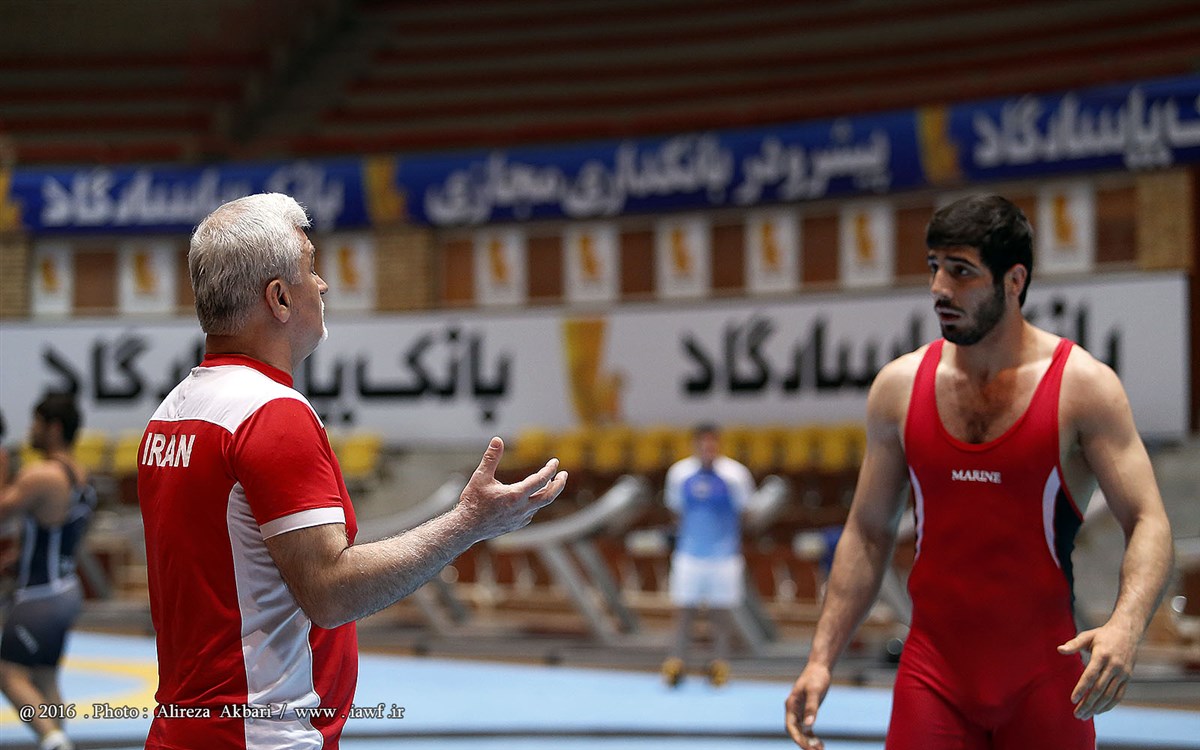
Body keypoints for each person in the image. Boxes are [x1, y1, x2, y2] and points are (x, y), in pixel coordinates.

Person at [138, 193, 567, 750]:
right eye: (310, 267)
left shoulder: (171, 413)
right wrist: (467, 524)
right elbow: (330, 593)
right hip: (262, 735)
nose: (322, 285)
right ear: (279, 298)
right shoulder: (270, 414)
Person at [785, 194, 1175, 749]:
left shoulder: (1082, 387)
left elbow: (1148, 521)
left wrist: (1126, 625)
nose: (939, 289)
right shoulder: (899, 388)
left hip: (1047, 680)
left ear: (1014, 280)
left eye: (961, 271)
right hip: (933, 677)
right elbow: (868, 532)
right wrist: (821, 659)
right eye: (934, 267)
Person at [0, 392, 97, 750]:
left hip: (39, 594)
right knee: (44, 675)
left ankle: (52, 739)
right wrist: (22, 557)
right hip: (65, 587)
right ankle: (59, 737)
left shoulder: (42, 475)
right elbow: (58, 528)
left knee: (8, 673)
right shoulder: (80, 475)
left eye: (36, 423)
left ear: (53, 428)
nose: (30, 430)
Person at [660, 423, 756, 687]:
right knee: (684, 611)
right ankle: (676, 662)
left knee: (720, 613)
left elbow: (746, 513)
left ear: (718, 444)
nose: (707, 448)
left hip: (724, 557)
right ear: (695, 445)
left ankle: (719, 664)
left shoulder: (736, 475)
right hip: (689, 554)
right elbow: (676, 511)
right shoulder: (679, 474)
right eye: (703, 443)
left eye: (712, 443)